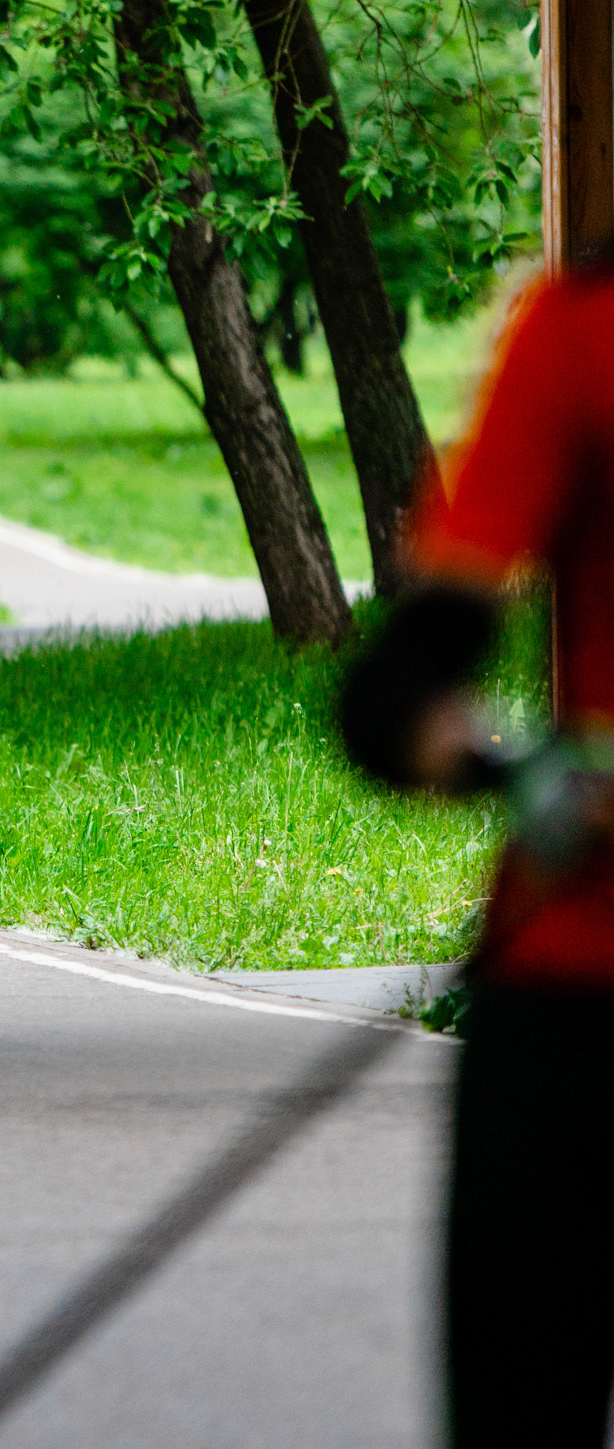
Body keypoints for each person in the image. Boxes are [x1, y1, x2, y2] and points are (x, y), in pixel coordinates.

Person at [338, 265, 613, 1449]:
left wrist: (509, 765)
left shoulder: (581, 325)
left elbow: (399, 699)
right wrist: (524, 769)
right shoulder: (580, 334)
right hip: (575, 999)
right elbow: (402, 689)